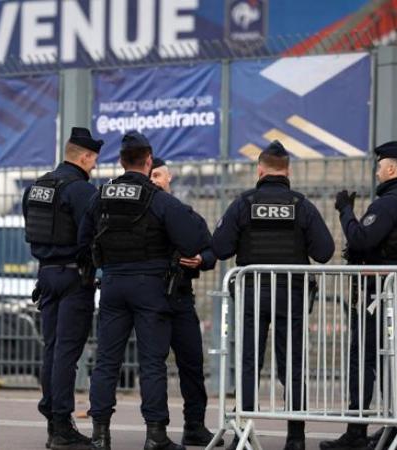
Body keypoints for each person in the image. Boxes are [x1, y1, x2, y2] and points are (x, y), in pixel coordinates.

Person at [80, 131, 211, 450]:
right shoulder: (159, 199)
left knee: (107, 360)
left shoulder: (101, 195)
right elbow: (192, 243)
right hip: (151, 287)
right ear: (148, 160)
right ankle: (155, 435)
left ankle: (99, 434)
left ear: (122, 161)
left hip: (111, 285)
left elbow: (83, 240)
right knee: (151, 362)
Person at [211, 141, 334, 450]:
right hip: (290, 295)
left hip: (252, 293)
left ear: (260, 170)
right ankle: (295, 438)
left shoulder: (243, 202)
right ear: (288, 171)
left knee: (249, 361)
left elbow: (221, 247)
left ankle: (243, 433)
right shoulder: (301, 204)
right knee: (292, 365)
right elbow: (325, 252)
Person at [320, 141, 397, 450]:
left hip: (382, 295)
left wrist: (345, 211)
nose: (377, 172)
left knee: (363, 359)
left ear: (390, 169)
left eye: (379, 167)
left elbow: (361, 239)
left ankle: (357, 432)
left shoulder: (389, 203)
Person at [22, 127, 102, 450]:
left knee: (52, 350)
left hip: (46, 277)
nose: (94, 166)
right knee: (66, 354)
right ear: (84, 157)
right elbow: (96, 233)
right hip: (73, 279)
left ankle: (54, 422)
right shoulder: (80, 190)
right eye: (94, 160)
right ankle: (61, 427)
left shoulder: (37, 187)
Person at [150, 158, 222, 447]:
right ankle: (156, 430)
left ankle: (195, 425)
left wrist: (201, 259)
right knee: (152, 366)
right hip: (150, 300)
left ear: (170, 179)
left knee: (192, 363)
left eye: (159, 175)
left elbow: (211, 250)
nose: (155, 179)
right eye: (150, 174)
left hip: (179, 297)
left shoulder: (184, 213)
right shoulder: (137, 215)